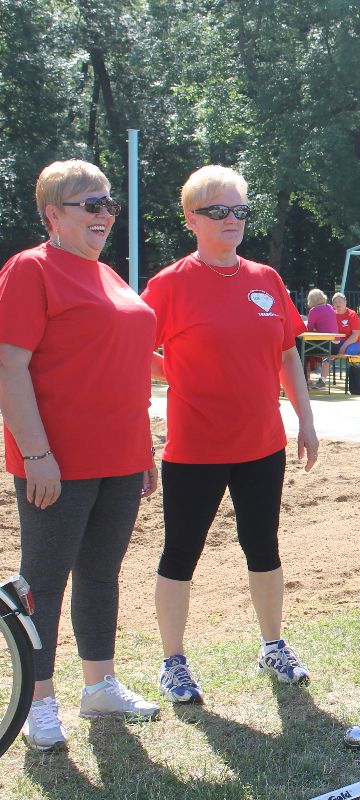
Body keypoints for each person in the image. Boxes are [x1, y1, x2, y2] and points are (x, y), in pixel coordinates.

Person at [141, 165, 319, 705]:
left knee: (263, 546)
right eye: (218, 210)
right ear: (191, 219)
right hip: (194, 448)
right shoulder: (170, 284)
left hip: (262, 444)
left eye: (239, 209)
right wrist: (178, 374)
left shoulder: (266, 279)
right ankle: (173, 661)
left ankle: (273, 645)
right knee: (181, 552)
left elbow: (287, 354)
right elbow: (133, 352)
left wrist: (306, 419)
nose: (231, 219)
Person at [0, 159, 160, 751]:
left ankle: (100, 686)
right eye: (91, 204)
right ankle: (36, 702)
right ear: (53, 214)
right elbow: (8, 365)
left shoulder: (108, 276)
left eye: (109, 204)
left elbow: (121, 369)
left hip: (120, 458)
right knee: (43, 582)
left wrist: (142, 448)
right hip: (56, 463)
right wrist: (36, 454)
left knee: (100, 574)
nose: (105, 214)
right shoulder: (31, 269)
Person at [305, 288, 338, 389]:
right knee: (309, 350)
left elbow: (309, 329)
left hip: (325, 344)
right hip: (335, 344)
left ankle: (306, 379)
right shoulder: (329, 307)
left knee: (302, 350)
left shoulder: (314, 311)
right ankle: (320, 379)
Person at [331, 292, 360, 357]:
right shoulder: (331, 315)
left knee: (349, 351)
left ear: (345, 302)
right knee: (326, 350)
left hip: (353, 343)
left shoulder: (352, 315)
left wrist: (343, 347)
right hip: (337, 342)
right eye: (335, 302)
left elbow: (355, 334)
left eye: (340, 301)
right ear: (333, 304)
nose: (338, 304)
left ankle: (353, 365)